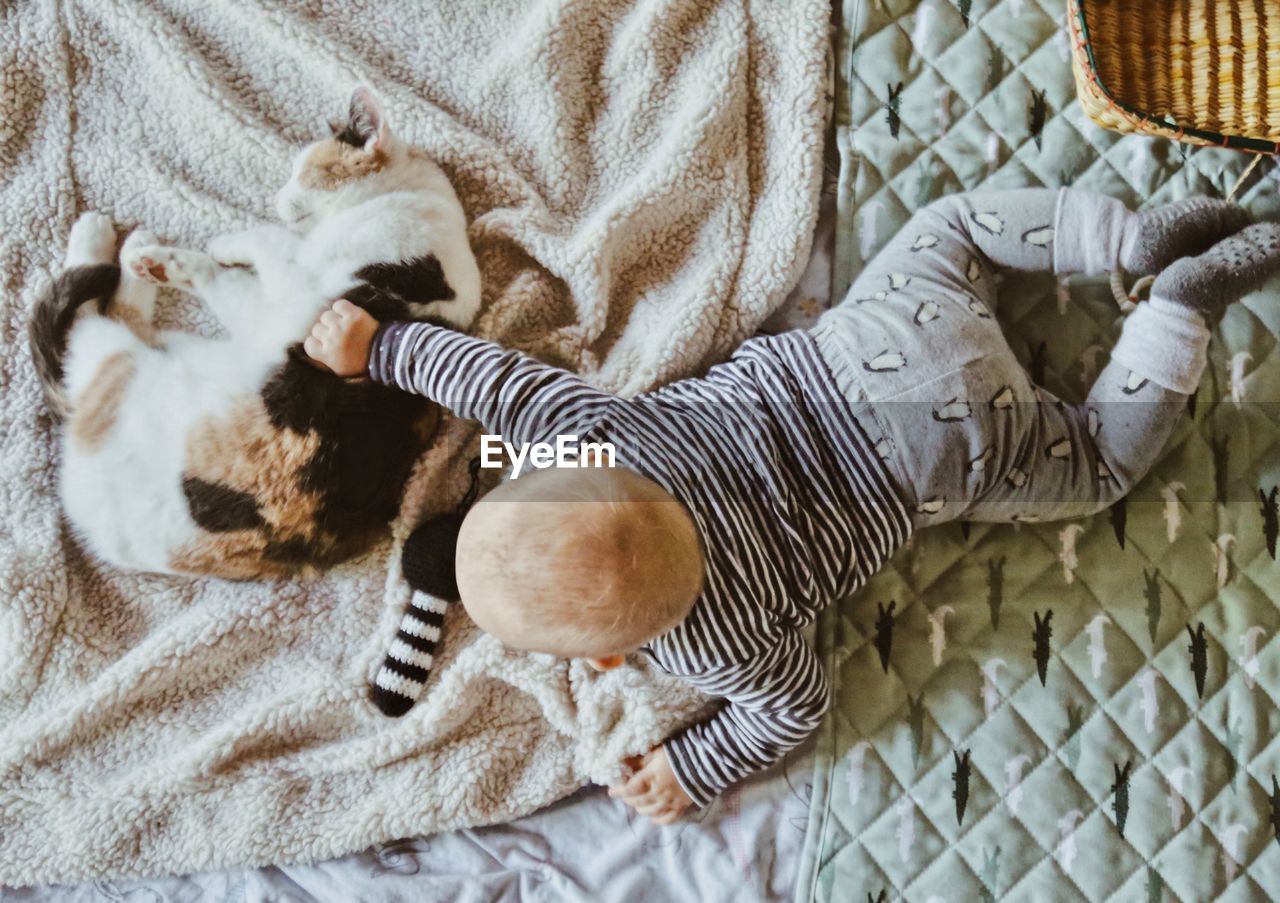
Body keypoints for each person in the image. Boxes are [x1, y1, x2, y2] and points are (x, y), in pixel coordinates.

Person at [305, 188, 1279, 823]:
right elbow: (493, 384)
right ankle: (1126, 240)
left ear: (607, 657)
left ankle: (1176, 310)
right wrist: (380, 348)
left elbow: (792, 708)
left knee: (1097, 467)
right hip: (880, 345)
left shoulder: (712, 648)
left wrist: (694, 768)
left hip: (944, 454)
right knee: (948, 228)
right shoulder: (600, 440)